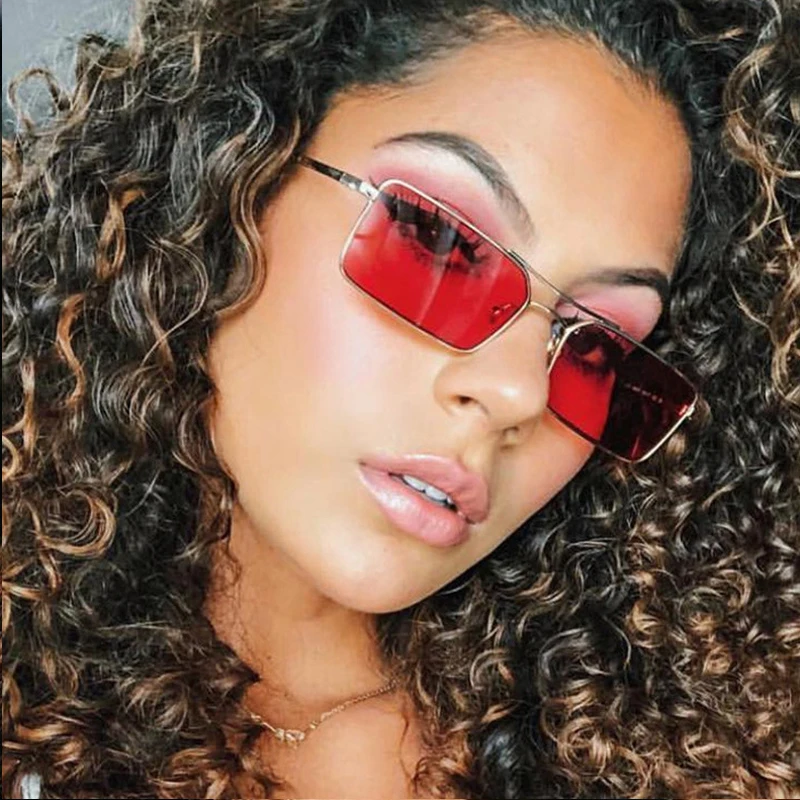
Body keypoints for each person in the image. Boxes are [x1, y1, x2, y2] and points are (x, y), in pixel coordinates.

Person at [2, 0, 798, 798]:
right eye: (439, 241)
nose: (518, 391)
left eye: (600, 346)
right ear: (225, 178)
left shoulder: (664, 766)